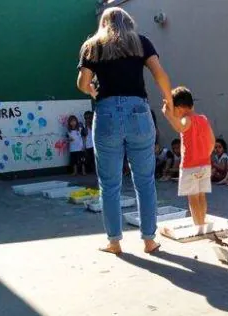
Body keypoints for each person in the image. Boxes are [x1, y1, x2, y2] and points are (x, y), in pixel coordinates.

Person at [77, 7, 172, 254]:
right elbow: (159, 74)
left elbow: (83, 83)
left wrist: (92, 91)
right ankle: (149, 241)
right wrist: (169, 101)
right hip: (138, 112)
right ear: (128, 22)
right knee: (145, 181)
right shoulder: (141, 42)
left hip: (107, 113)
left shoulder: (93, 45)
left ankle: (114, 242)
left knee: (109, 184)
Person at [162, 86, 215, 230]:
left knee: (192, 198)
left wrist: (168, 115)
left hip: (190, 165)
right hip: (204, 163)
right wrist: (206, 155)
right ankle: (202, 222)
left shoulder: (186, 119)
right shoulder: (203, 119)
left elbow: (180, 127)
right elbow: (212, 141)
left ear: (179, 108)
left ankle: (198, 226)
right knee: (201, 195)